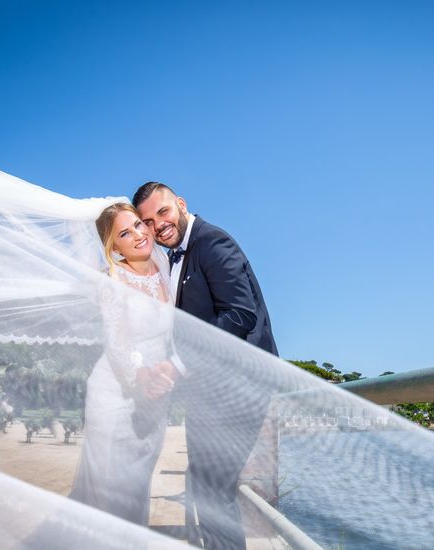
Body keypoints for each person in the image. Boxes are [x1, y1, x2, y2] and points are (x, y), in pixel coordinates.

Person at [133, 182, 277, 550]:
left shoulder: (212, 243)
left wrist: (176, 365)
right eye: (147, 221)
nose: (158, 225)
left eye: (162, 212)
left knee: (212, 490)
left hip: (240, 387)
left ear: (180, 204)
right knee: (203, 487)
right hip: (208, 392)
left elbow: (240, 315)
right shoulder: (178, 255)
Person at [69, 202, 181, 525]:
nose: (138, 235)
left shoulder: (167, 271)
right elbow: (118, 342)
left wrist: (165, 372)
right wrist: (142, 375)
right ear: (113, 246)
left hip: (155, 399)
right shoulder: (114, 279)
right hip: (115, 395)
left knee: (137, 486)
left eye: (138, 225)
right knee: (112, 492)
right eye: (124, 233)